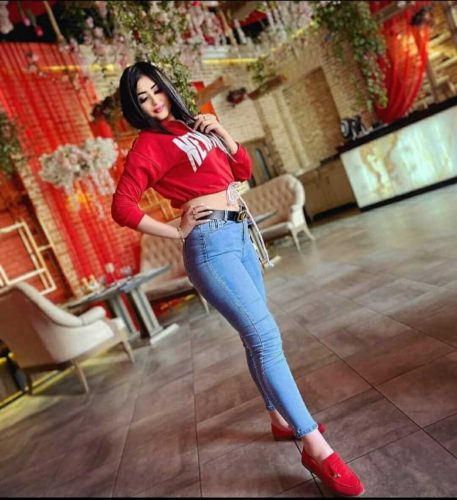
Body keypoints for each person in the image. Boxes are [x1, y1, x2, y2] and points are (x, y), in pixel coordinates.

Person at [111, 61, 364, 497]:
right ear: (135, 107)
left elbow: (242, 171)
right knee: (266, 338)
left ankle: (279, 419)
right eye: (143, 98)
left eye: (157, 91)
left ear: (168, 88)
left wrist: (223, 134)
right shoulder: (147, 146)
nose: (154, 102)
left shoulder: (192, 126)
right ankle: (315, 446)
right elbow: (122, 207)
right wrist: (176, 230)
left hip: (240, 234)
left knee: (255, 340)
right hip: (210, 245)